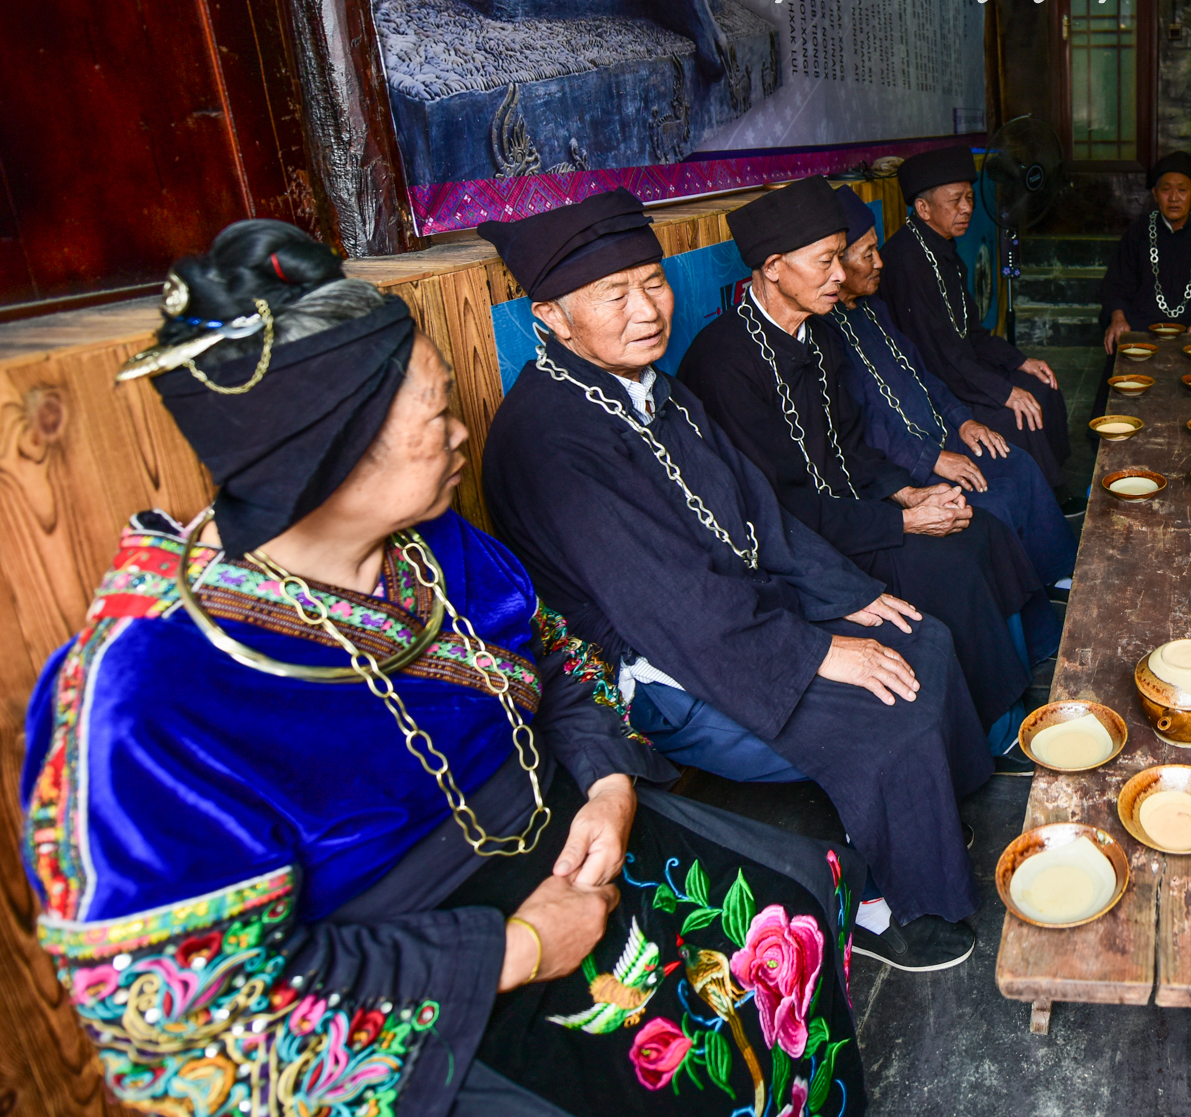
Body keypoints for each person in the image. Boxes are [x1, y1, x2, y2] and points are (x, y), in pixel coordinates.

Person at [21, 219, 869, 1117]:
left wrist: (611, 784)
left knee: (802, 890)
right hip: (395, 958)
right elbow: (187, 1025)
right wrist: (519, 948)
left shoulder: (433, 546)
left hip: (560, 824)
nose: (464, 433)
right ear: (332, 455)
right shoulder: (146, 689)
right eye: (437, 413)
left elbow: (564, 659)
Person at [478, 189, 987, 971]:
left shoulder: (663, 390)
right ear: (552, 315)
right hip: (664, 666)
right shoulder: (547, 435)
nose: (647, 308)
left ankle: (930, 825)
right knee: (881, 706)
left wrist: (851, 596)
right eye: (615, 294)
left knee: (922, 632)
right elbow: (668, 603)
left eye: (652, 281)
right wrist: (817, 652)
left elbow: (764, 515)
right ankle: (890, 904)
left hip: (742, 611)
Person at [676, 177, 1054, 750]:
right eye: (826, 260)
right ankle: (989, 732)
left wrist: (908, 493)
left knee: (981, 531)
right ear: (774, 267)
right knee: (949, 566)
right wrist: (899, 521)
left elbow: (853, 446)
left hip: (859, 511)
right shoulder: (721, 362)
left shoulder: (820, 337)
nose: (839, 275)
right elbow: (772, 507)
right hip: (797, 546)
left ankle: (1020, 696)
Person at [824, 184, 1078, 590]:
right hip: (907, 464)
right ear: (835, 264)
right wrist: (931, 460)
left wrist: (962, 422)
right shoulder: (825, 331)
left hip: (941, 435)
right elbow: (863, 425)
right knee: (992, 503)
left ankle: (1058, 575)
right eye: (867, 253)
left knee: (1019, 465)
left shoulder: (874, 308)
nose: (880, 262)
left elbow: (924, 374)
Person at [877, 145, 1075, 500]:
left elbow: (972, 333)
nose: (967, 208)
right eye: (955, 201)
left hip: (961, 365)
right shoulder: (906, 261)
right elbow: (936, 357)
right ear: (923, 208)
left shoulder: (944, 249)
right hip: (935, 383)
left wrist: (1019, 362)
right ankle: (1045, 500)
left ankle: (1055, 484)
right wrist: (1004, 391)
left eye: (968, 197)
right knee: (1016, 412)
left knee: (1043, 384)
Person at [1098, 150, 1191, 350]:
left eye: (1182, 190)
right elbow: (1115, 285)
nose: (1174, 198)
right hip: (1139, 326)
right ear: (1155, 194)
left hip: (1190, 327)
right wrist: (1117, 317)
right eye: (1166, 190)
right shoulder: (1138, 233)